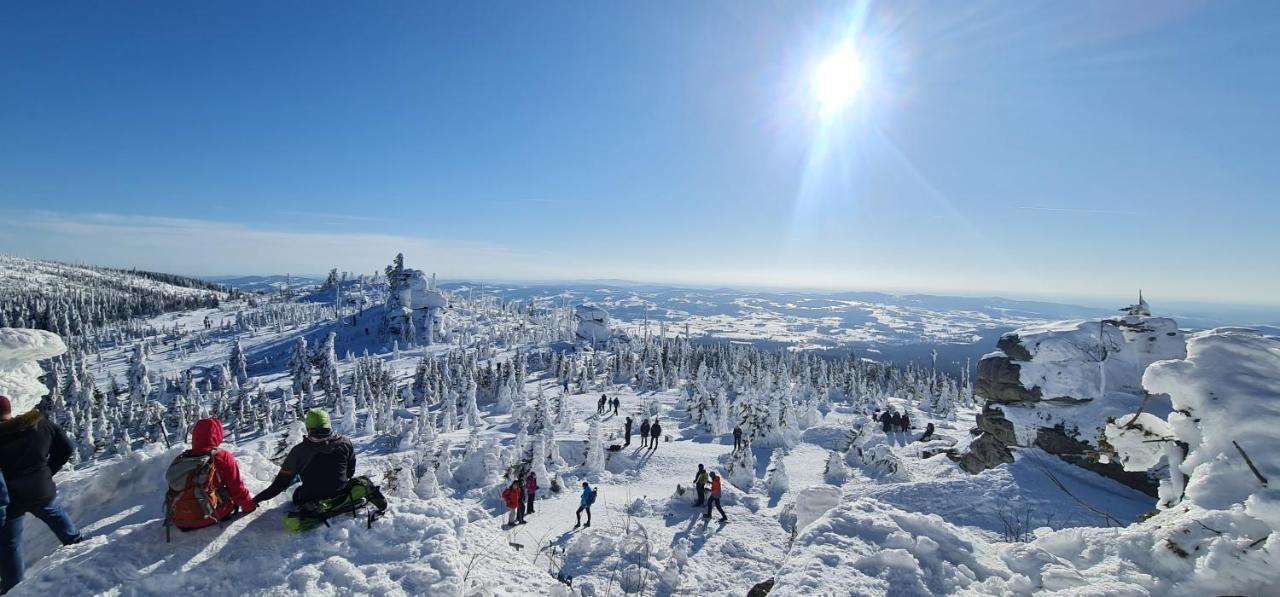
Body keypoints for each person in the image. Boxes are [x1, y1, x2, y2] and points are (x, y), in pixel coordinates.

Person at [0, 395, 83, 594]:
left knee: (10, 544)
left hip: (12, 499)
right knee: (53, 513)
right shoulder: (40, 425)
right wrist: (47, 471)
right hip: (40, 489)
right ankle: (76, 542)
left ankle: (13, 586)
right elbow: (66, 448)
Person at [166, 418, 256, 532]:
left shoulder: (180, 459)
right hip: (212, 516)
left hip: (181, 521)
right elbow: (236, 488)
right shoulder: (222, 456)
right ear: (217, 435)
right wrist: (249, 506)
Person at [253, 409, 356, 507]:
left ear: (308, 428)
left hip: (310, 499)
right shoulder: (345, 442)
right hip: (340, 494)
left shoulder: (299, 451)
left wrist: (257, 499)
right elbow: (350, 472)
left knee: (296, 492)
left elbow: (280, 484)